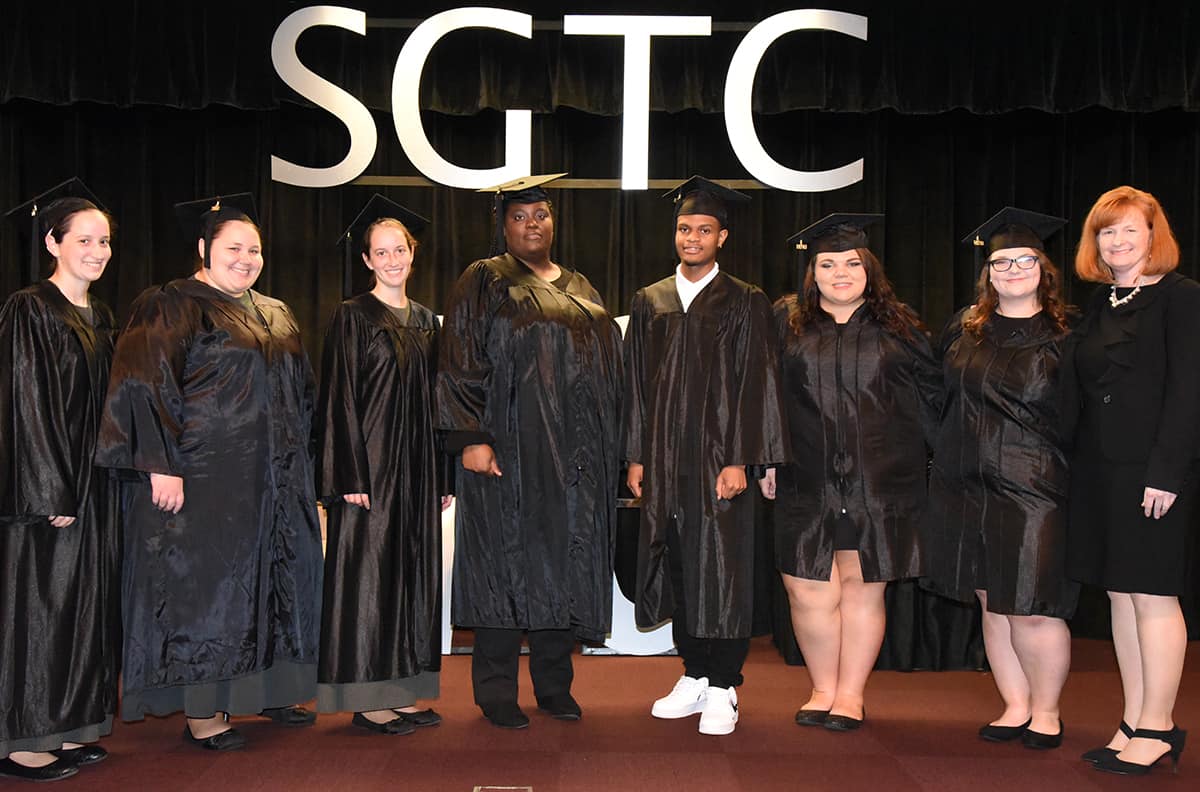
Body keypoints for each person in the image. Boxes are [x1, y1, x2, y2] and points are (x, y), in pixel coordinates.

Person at [95, 195, 323, 750]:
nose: (246, 259)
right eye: (233, 248)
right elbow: (144, 382)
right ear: (203, 249)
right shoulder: (173, 303)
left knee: (275, 582)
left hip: (274, 478)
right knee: (211, 592)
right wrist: (159, 464)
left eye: (255, 250)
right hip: (205, 478)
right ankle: (203, 712)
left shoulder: (275, 310)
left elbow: (304, 395)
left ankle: (264, 690)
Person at [436, 174, 623, 729]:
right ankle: (496, 691)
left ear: (553, 221)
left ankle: (553, 685)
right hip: (509, 452)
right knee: (503, 564)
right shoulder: (485, 278)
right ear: (503, 225)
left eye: (540, 215)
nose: (532, 224)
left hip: (575, 457)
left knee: (563, 563)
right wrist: (470, 439)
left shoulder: (582, 285)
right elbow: (460, 357)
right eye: (519, 217)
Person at [624, 176, 788, 736]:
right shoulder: (650, 301)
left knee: (724, 567)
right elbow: (636, 386)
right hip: (665, 458)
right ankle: (693, 673)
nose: (692, 237)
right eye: (684, 228)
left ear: (723, 237)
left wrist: (744, 459)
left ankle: (724, 685)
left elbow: (759, 383)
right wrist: (636, 455)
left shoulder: (746, 301)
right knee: (679, 563)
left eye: (704, 229)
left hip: (723, 459)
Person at [762, 214, 937, 732]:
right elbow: (765, 395)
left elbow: (931, 400)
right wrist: (766, 456)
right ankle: (821, 686)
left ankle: (851, 695)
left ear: (870, 269)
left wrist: (929, 466)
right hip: (805, 474)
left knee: (862, 586)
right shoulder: (786, 322)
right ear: (811, 272)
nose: (841, 273)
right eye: (828, 263)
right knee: (807, 587)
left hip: (879, 478)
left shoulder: (899, 326)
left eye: (851, 263)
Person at [924, 208, 1079, 750]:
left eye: (1023, 260)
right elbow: (934, 395)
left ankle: (1047, 710)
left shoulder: (1066, 335)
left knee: (1032, 605)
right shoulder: (967, 327)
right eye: (1000, 262)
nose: (1012, 269)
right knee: (992, 598)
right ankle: (1015, 704)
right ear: (988, 272)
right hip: (965, 483)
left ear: (1044, 268)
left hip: (1035, 485)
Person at [1065, 186, 1199, 775]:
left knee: (1153, 594)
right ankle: (1134, 717)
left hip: (1155, 471)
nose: (1116, 241)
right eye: (1105, 232)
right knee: (1121, 595)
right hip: (1102, 469)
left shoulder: (1181, 297)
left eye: (1128, 230)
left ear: (1153, 236)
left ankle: (1159, 725)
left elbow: (1189, 390)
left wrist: (1167, 471)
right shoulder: (1102, 302)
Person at [316, 194, 451, 735]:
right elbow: (338, 398)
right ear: (367, 260)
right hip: (369, 472)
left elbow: (439, 404)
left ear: (412, 254)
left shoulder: (426, 320)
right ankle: (368, 700)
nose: (392, 259)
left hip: (416, 472)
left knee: (411, 577)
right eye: (381, 252)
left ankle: (401, 690)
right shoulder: (352, 316)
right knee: (368, 579)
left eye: (400, 249)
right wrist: (347, 476)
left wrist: (442, 475)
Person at [0, 182, 119, 782]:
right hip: (50, 491)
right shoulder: (30, 308)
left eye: (104, 241)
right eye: (84, 239)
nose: (97, 250)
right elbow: (27, 404)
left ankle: (68, 726)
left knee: (82, 609)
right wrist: (51, 491)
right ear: (52, 242)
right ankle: (23, 739)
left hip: (91, 487)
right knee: (41, 608)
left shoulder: (100, 315)